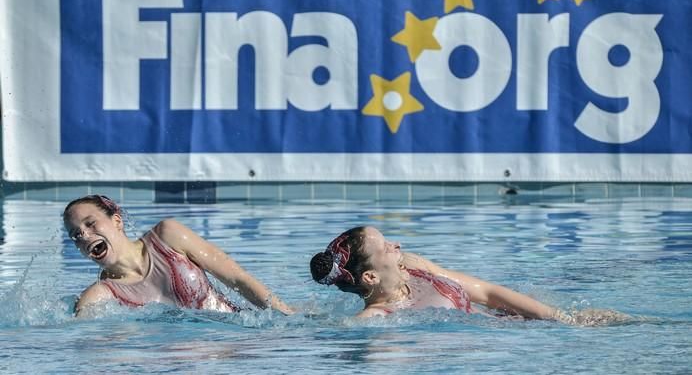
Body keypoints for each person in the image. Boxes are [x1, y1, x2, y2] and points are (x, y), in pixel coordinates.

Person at [310, 226, 626, 325]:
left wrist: (558, 317)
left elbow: (487, 293)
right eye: (387, 247)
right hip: (494, 347)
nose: (398, 245)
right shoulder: (376, 317)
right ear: (370, 278)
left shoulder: (415, 266)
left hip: (512, 322)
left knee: (607, 319)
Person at [63, 195, 293, 317]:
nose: (83, 234)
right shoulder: (100, 293)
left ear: (117, 220)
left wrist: (287, 317)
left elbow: (237, 279)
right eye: (75, 234)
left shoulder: (167, 236)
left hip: (238, 340)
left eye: (91, 224)